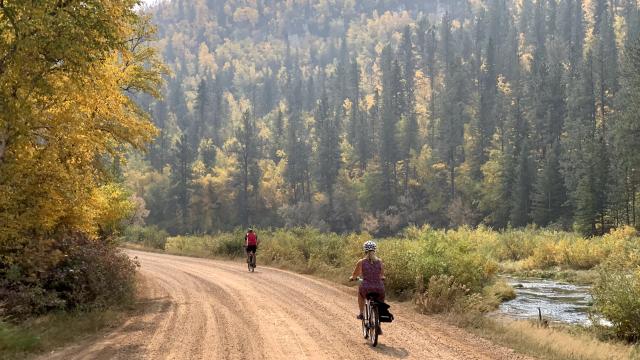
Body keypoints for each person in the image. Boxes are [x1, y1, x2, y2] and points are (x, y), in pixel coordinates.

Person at [349, 240, 385, 320]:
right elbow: (382, 275)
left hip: (366, 287)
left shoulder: (361, 262)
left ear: (365, 250)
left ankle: (361, 313)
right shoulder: (380, 262)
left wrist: (352, 278)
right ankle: (380, 312)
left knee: (361, 295)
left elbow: (355, 275)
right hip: (379, 288)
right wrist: (381, 278)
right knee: (381, 296)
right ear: (375, 250)